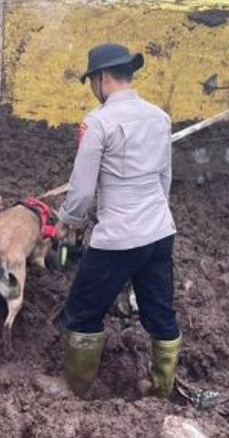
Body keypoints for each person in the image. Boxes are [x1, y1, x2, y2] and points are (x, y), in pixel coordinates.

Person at [54, 43, 182, 398]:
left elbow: (81, 190)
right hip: (159, 232)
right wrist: (153, 216)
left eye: (92, 81)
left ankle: (75, 390)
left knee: (81, 313)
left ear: (101, 78)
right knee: (159, 312)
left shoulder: (98, 123)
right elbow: (165, 178)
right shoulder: (160, 116)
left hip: (118, 239)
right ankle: (160, 386)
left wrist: (70, 221)